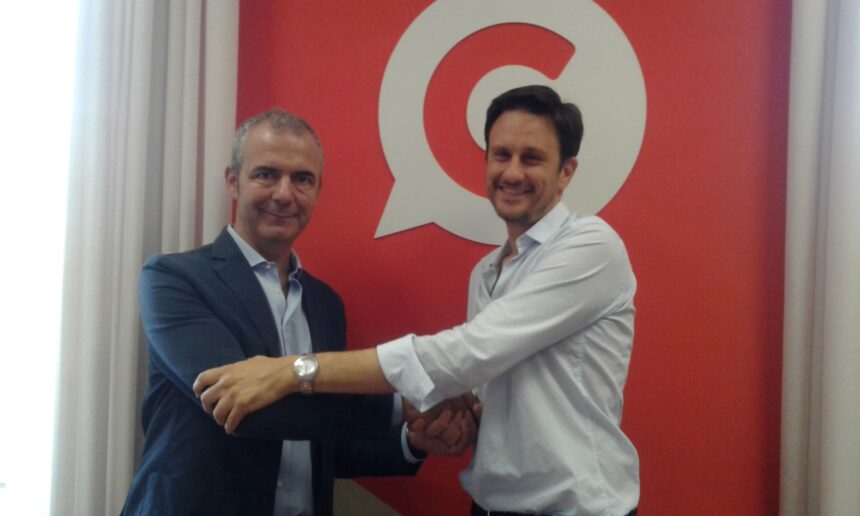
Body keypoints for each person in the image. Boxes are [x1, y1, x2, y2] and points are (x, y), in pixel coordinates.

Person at [195, 86, 639, 516]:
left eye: (533, 158)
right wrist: (454, 419)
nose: (513, 172)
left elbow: (465, 354)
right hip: (489, 507)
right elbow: (482, 384)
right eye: (501, 155)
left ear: (566, 172)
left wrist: (293, 371)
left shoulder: (591, 246)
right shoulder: (486, 273)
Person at [122, 108, 473, 516]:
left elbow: (323, 440)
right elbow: (244, 409)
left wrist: (411, 441)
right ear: (233, 181)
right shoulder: (174, 280)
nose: (284, 194)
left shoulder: (325, 305)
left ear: (318, 190)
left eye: (302, 179)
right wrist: (404, 403)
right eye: (266, 174)